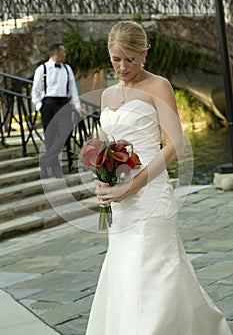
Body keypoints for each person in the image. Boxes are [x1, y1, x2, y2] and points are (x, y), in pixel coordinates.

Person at [85, 21, 232, 335]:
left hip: (150, 197)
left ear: (145, 53)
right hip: (120, 207)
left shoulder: (158, 86)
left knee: (153, 272)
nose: (123, 67)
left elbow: (175, 144)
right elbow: (105, 146)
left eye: (131, 58)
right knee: (125, 273)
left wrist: (132, 185)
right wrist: (103, 179)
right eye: (116, 59)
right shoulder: (108, 94)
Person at [32, 42, 82, 178]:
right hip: (48, 104)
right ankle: (55, 168)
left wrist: (77, 106)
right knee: (50, 137)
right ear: (56, 53)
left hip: (64, 104)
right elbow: (35, 91)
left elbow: (73, 89)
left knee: (65, 134)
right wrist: (40, 106)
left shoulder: (67, 69)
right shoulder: (42, 69)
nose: (65, 54)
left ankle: (44, 161)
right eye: (63, 52)